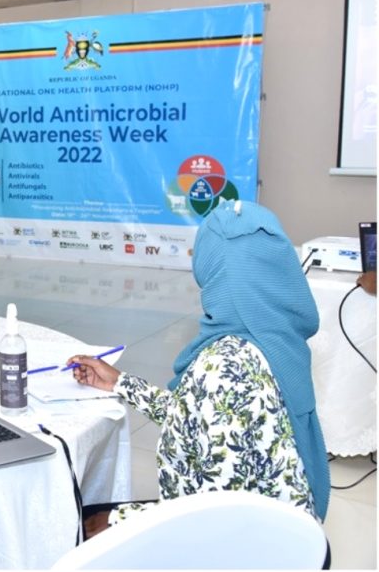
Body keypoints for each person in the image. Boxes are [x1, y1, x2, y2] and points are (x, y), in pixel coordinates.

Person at [68, 200, 330, 539]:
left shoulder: (224, 367)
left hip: (247, 545)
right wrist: (121, 383)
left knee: (81, 521)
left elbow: (215, 519)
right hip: (288, 528)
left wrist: (114, 522)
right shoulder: (275, 336)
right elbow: (204, 417)